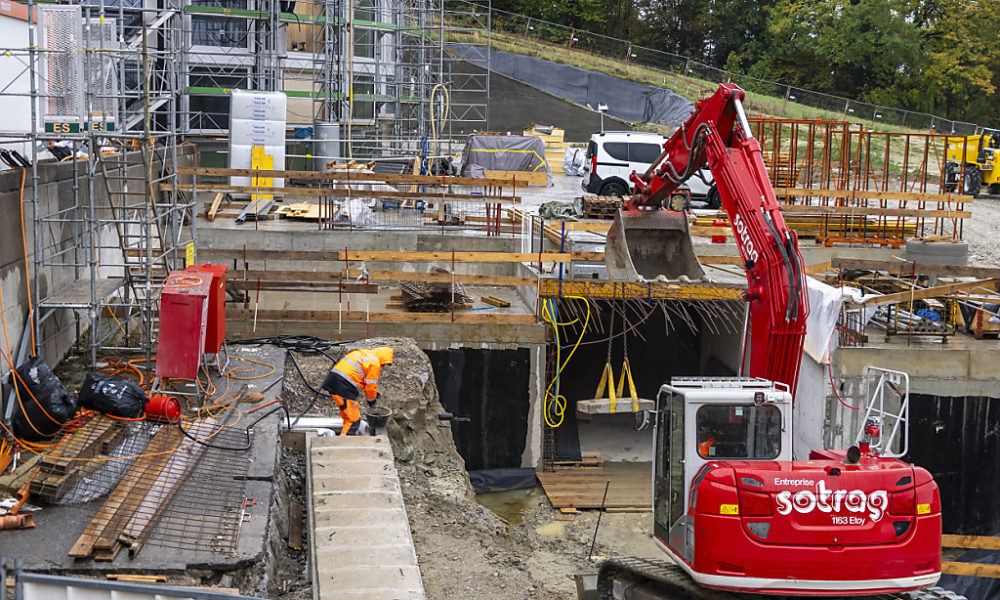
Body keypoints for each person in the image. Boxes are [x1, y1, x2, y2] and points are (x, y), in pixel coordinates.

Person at [320, 346, 393, 435]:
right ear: (384, 360)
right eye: (385, 364)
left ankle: (342, 441)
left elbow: (359, 375)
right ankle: (343, 444)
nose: (383, 366)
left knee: (348, 417)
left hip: (334, 381)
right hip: (343, 386)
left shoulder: (364, 353)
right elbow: (371, 386)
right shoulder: (375, 363)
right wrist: (372, 402)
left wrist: (373, 394)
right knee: (353, 421)